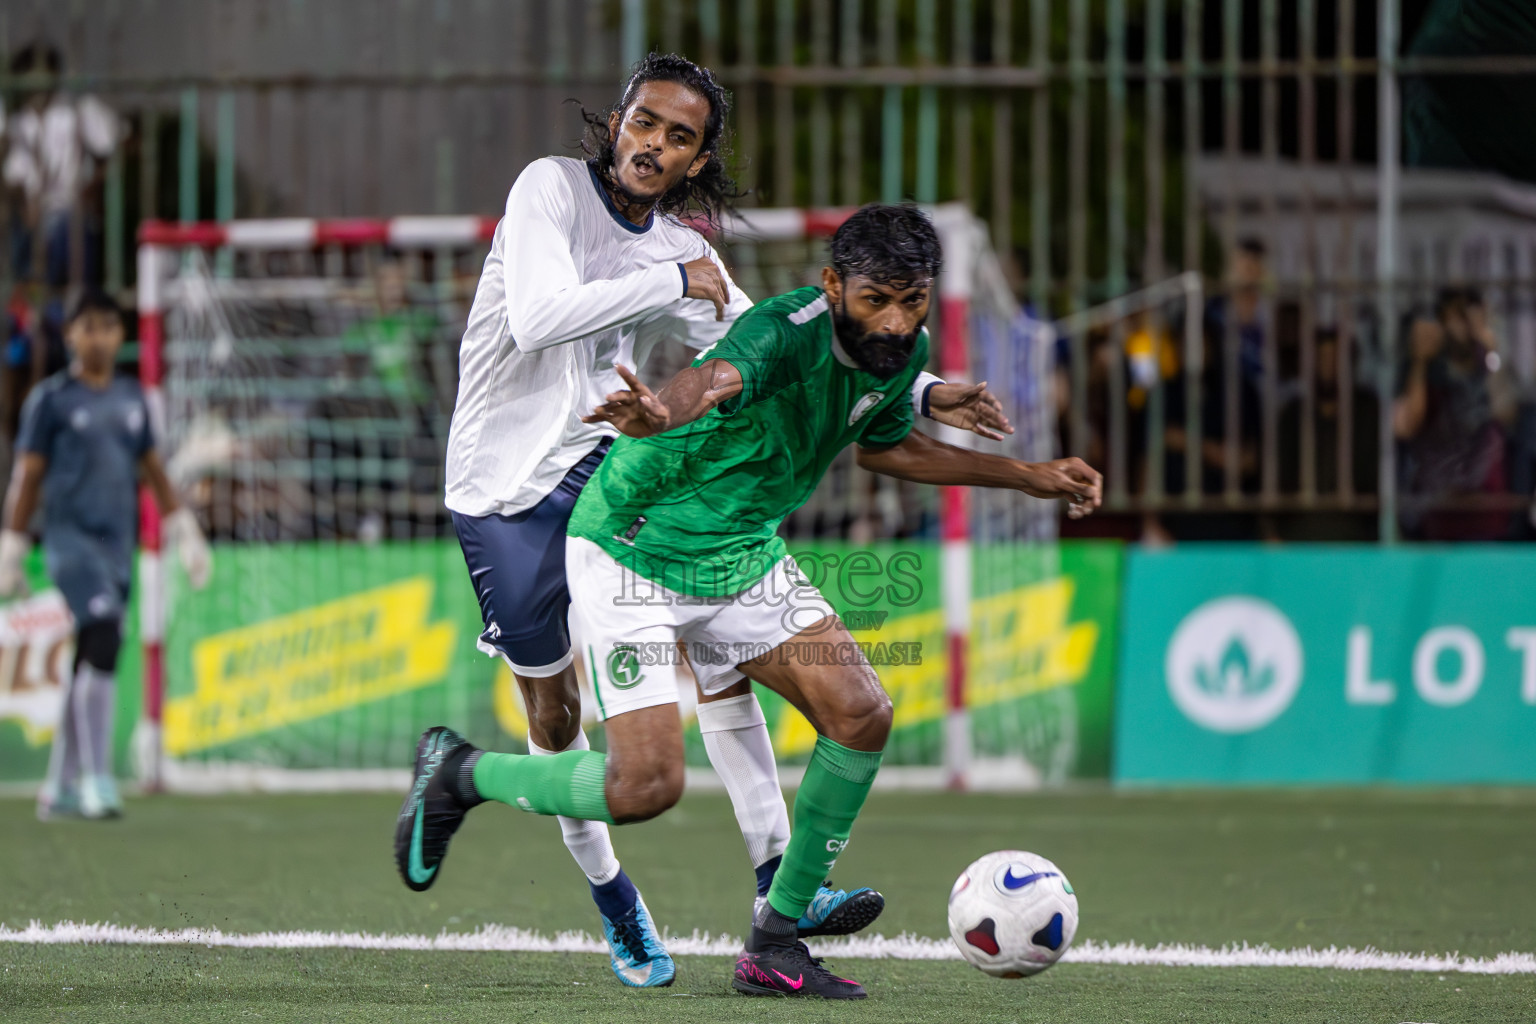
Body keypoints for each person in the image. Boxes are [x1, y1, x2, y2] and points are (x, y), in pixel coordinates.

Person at [400, 203, 1102, 998]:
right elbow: (717, 376)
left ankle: (776, 938)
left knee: (862, 711)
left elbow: (884, 445)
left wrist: (1030, 475)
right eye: (878, 300)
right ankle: (462, 772)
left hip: (739, 552)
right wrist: (661, 409)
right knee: (645, 787)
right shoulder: (786, 328)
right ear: (834, 286)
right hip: (635, 546)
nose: (898, 321)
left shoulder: (902, 354)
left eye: (914, 301)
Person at [0, 291, 210, 820]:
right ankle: (97, 780)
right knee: (103, 636)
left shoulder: (132, 398)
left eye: (108, 327)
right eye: (88, 327)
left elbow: (153, 469)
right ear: (70, 335)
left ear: (121, 335)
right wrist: (13, 542)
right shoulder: (51, 400)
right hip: (70, 542)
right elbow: (28, 474)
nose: (99, 337)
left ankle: (58, 785)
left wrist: (183, 527)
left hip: (117, 545)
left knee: (87, 656)